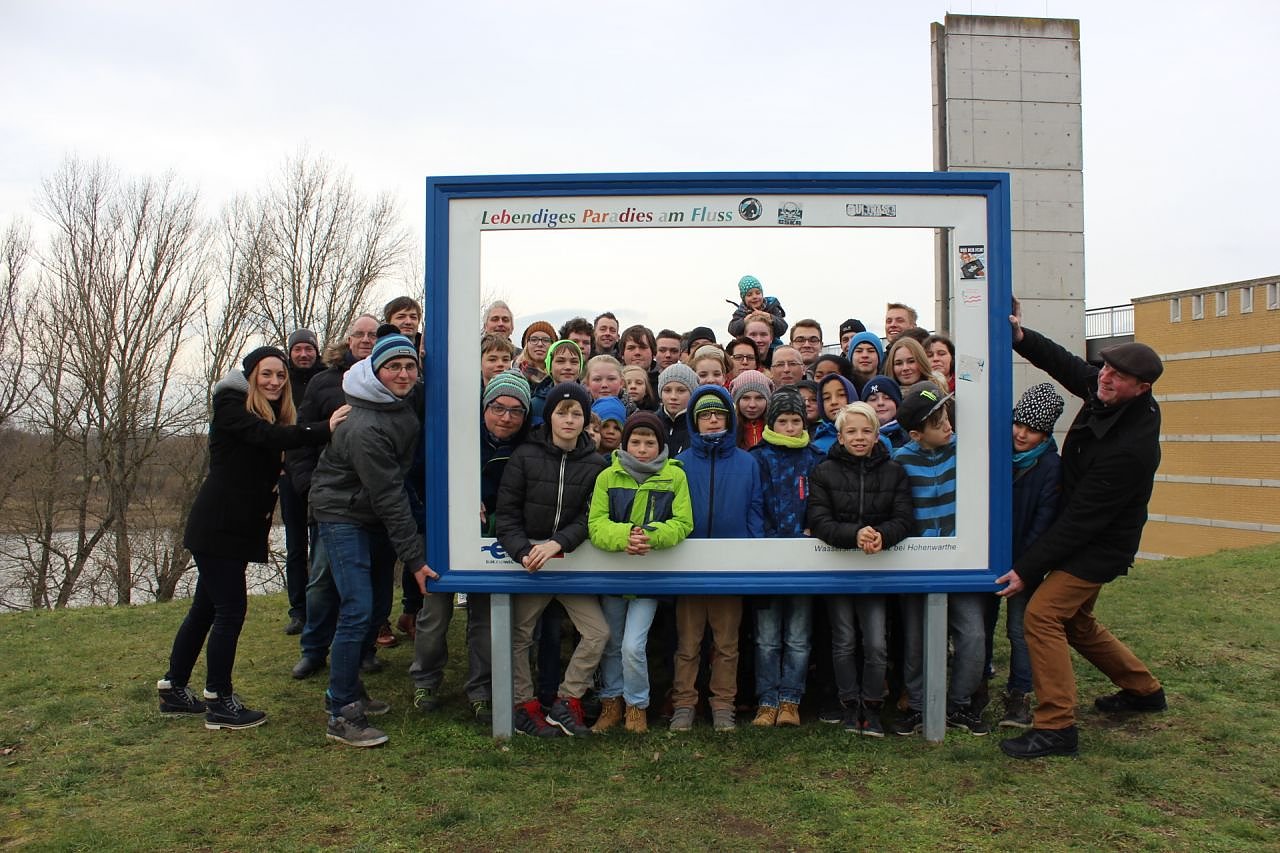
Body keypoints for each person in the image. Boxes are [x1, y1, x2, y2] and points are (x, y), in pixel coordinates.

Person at [997, 306, 1167, 759]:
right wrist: (1022, 337)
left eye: (1117, 375)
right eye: (1105, 368)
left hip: (1099, 545)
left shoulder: (1131, 448)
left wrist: (1026, 569)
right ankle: (1143, 690)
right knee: (1077, 622)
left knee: (1042, 616)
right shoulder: (1108, 390)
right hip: (1082, 531)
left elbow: (1081, 521)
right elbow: (1067, 365)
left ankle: (1056, 726)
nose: (1104, 377)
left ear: (1142, 387)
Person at [158, 346, 345, 729]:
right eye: (266, 374)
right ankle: (219, 700)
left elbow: (267, 445)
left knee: (205, 609)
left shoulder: (270, 412)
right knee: (230, 611)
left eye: (280, 375)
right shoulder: (231, 403)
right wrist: (324, 427)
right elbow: (267, 437)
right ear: (250, 377)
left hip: (234, 529)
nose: (275, 381)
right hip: (218, 527)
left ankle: (173, 687)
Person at [310, 332, 435, 747]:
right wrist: (415, 560)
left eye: (409, 366)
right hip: (343, 513)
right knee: (358, 607)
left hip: (370, 512)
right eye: (393, 367)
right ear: (376, 371)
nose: (403, 374)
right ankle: (341, 711)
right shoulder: (365, 425)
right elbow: (389, 494)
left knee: (378, 603)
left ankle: (349, 687)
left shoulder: (397, 404)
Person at [411, 370, 531, 723]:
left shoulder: (527, 447)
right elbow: (419, 480)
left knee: (485, 617)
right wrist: (457, 500)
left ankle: (481, 689)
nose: (505, 417)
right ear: (484, 407)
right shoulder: (455, 436)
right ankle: (425, 680)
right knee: (435, 614)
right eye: (498, 407)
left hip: (494, 539)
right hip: (445, 535)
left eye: (515, 410)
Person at [496, 382, 610, 738]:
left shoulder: (596, 464)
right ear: (549, 417)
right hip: (531, 564)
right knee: (519, 634)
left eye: (576, 413)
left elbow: (590, 518)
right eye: (562, 412)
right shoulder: (525, 456)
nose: (569, 419)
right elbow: (507, 514)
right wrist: (522, 551)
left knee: (597, 632)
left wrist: (558, 543)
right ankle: (522, 705)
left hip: (569, 562)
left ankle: (567, 700)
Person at [807, 401, 913, 736]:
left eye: (867, 431)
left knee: (876, 642)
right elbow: (819, 520)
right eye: (851, 431)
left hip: (875, 570)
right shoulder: (824, 472)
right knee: (844, 640)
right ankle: (849, 704)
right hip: (838, 570)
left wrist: (883, 535)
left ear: (877, 435)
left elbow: (904, 518)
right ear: (839, 436)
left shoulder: (894, 471)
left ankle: (873, 705)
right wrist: (854, 535)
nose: (859, 437)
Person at [891, 382, 987, 737]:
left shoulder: (966, 451)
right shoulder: (900, 461)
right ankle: (918, 705)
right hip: (917, 565)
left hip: (963, 562)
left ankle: (959, 704)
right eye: (937, 424)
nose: (948, 426)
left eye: (947, 417)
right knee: (916, 641)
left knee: (973, 635)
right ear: (916, 435)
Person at [287, 314, 380, 680]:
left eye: (373, 335)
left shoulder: (389, 378)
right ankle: (313, 649)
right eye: (360, 334)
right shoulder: (324, 381)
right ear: (348, 339)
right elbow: (301, 436)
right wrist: (308, 485)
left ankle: (365, 649)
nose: (367, 340)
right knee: (322, 579)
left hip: (375, 497)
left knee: (373, 580)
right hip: (331, 498)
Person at [589, 411, 694, 734]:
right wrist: (625, 537)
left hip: (649, 577)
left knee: (633, 645)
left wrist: (650, 536)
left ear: (660, 444)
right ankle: (611, 702)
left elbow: (683, 522)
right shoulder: (608, 476)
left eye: (650, 443)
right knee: (611, 643)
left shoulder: (675, 476)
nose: (643, 449)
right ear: (625, 444)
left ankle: (637, 705)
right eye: (636, 442)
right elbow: (596, 523)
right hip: (614, 575)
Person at [671, 386, 764, 732]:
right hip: (689, 570)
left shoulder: (747, 462)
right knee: (688, 643)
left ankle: (723, 704)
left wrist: (752, 555)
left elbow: (755, 512)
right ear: (695, 421)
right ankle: (684, 703)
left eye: (719, 414)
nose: (712, 420)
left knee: (727, 643)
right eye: (705, 415)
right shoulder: (680, 464)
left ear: (729, 418)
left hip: (731, 569)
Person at [750, 389, 824, 727]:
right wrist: (763, 540)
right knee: (766, 638)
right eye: (783, 421)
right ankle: (767, 701)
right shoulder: (756, 459)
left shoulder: (815, 458)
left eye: (796, 421)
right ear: (772, 423)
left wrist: (813, 528)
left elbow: (821, 502)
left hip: (803, 561)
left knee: (798, 636)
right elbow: (753, 504)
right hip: (766, 559)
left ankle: (791, 700)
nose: (790, 427)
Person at [994, 382, 1064, 730]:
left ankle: (1019, 694)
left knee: (1019, 630)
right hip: (990, 559)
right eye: (1018, 424)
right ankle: (977, 687)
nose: (1021, 435)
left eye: (1032, 430)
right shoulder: (996, 450)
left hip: (1024, 563)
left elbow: (1044, 522)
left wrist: (1025, 568)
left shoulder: (1051, 467)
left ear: (1046, 434)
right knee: (982, 626)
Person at [280, 328, 324, 636]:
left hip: (321, 473)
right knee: (295, 545)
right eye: (298, 349)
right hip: (287, 473)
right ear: (291, 353)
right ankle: (298, 610)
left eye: (309, 349)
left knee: (322, 543)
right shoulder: (281, 381)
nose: (304, 354)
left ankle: (323, 607)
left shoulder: (326, 378)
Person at [516, 321, 556, 425]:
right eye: (534, 339)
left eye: (546, 340)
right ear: (526, 344)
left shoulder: (558, 379)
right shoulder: (515, 375)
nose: (540, 344)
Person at [727, 274, 787, 340]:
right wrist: (744, 321)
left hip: (772, 344)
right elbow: (732, 329)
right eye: (749, 295)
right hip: (749, 345)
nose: (754, 297)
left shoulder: (772, 308)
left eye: (758, 293)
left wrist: (769, 317)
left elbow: (783, 327)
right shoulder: (740, 313)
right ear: (744, 299)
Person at [655, 362, 697, 456]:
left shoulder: (698, 426)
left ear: (692, 393)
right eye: (667, 390)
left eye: (681, 390)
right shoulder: (651, 423)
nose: (673, 396)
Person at [860, 376, 908, 450]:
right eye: (873, 399)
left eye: (887, 398)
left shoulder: (911, 435)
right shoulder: (856, 438)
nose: (880, 403)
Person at [730, 369, 771, 450]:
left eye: (759, 398)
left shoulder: (776, 428)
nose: (752, 405)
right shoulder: (729, 430)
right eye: (745, 398)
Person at [845, 330, 886, 395]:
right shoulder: (844, 388)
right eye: (859, 351)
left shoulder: (888, 386)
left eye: (871, 351)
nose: (865, 355)